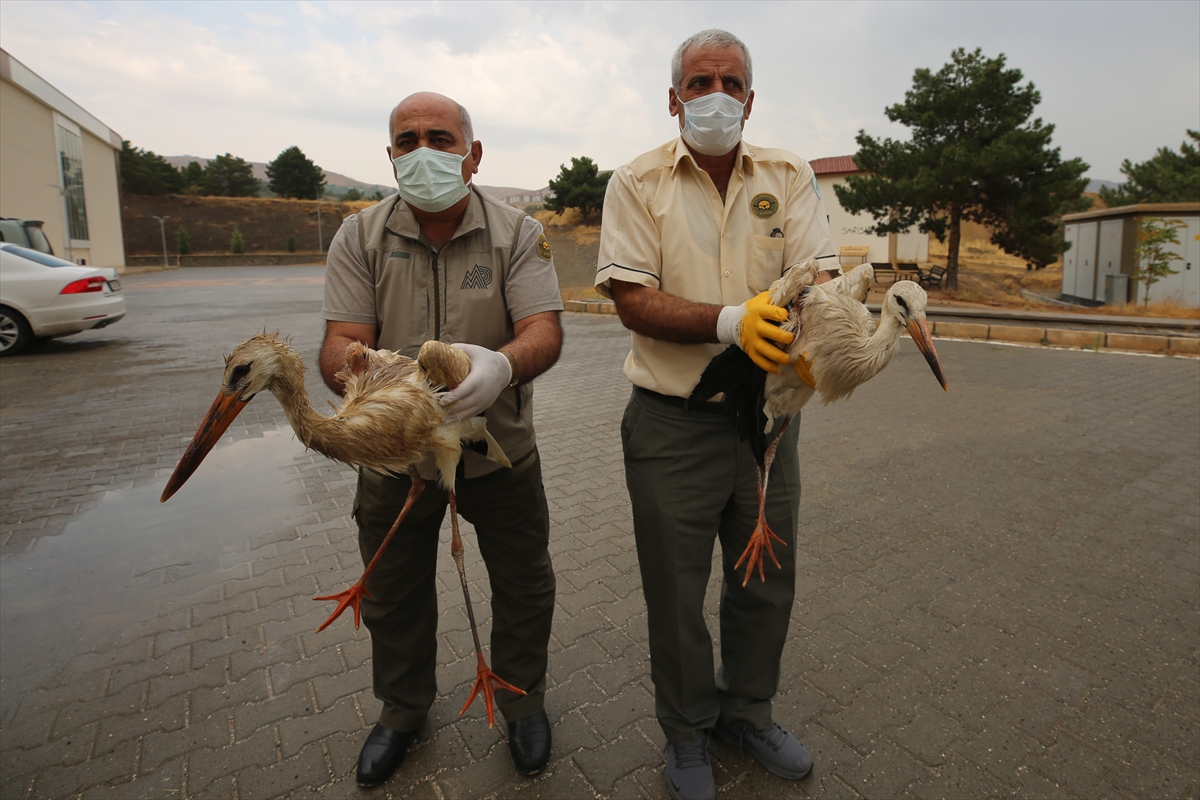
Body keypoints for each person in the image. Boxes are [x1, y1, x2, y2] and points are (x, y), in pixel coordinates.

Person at [594, 30, 837, 800]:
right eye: (699, 82)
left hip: (768, 425)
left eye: (731, 81)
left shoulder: (789, 174)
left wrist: (821, 330)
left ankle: (749, 712)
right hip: (672, 423)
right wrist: (730, 323)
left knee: (765, 581)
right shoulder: (636, 184)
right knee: (675, 589)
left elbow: (819, 276)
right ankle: (688, 731)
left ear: (751, 98)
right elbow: (631, 296)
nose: (716, 96)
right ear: (674, 99)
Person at [320, 91, 563, 786]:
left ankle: (521, 702)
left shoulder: (518, 232)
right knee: (392, 588)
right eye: (407, 140)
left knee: (523, 582)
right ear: (391, 156)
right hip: (394, 457)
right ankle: (402, 710)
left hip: (499, 447)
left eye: (440, 137)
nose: (423, 150)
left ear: (473, 153)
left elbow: (544, 328)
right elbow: (340, 342)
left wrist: (504, 367)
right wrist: (370, 379)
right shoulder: (358, 236)